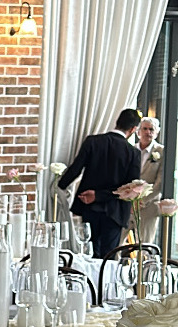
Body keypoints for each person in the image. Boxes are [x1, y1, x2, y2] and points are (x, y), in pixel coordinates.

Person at [57, 108, 142, 258]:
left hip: (89, 207)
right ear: (133, 129)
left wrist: (59, 186)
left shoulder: (93, 141)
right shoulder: (133, 153)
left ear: (117, 122)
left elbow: (75, 169)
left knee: (90, 253)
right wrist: (99, 195)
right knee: (108, 257)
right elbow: (130, 188)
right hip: (115, 211)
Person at [133, 116, 164, 243]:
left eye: (151, 129)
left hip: (148, 207)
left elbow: (160, 183)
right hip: (127, 206)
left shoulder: (161, 152)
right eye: (144, 129)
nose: (148, 132)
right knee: (116, 245)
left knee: (144, 246)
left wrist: (142, 201)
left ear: (156, 133)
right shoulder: (131, 149)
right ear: (138, 132)